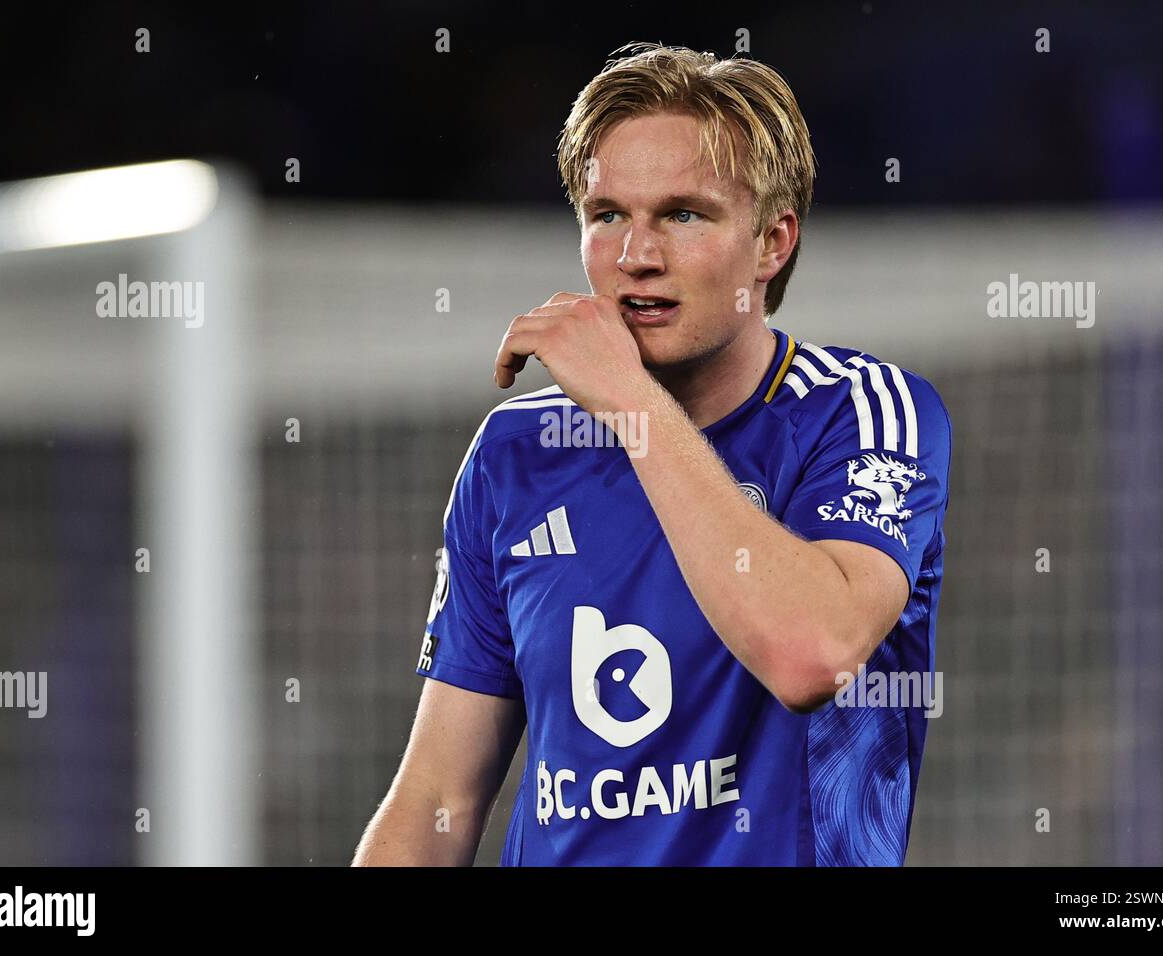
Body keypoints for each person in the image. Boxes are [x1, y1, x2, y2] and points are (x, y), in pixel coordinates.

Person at [353, 41, 951, 866]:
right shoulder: (516, 454)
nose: (638, 256)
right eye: (608, 217)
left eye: (683, 214)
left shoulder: (861, 413)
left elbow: (812, 653)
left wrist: (631, 403)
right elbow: (436, 796)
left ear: (772, 243)